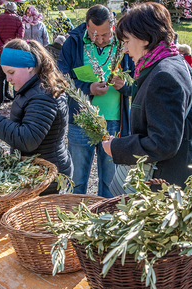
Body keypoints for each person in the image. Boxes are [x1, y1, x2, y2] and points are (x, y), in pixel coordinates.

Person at [102, 2, 192, 189]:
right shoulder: (176, 64)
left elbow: (162, 142)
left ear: (145, 38)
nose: (125, 50)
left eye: (127, 41)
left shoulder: (164, 75)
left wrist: (117, 147)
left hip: (165, 185)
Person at [0, 38, 73, 195]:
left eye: (11, 72)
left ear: (29, 66)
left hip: (49, 178)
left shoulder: (42, 95)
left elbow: (27, 139)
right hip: (42, 172)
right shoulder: (33, 89)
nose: (8, 79)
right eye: (5, 73)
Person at [58, 4, 135, 198]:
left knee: (110, 182)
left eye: (105, 35)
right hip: (80, 121)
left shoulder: (125, 44)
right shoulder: (73, 43)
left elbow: (138, 79)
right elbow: (60, 79)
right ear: (86, 27)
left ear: (113, 26)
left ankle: (105, 221)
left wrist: (124, 86)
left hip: (113, 122)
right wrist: (87, 88)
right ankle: (75, 220)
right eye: (94, 35)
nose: (99, 40)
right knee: (77, 180)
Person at [0, 2, 24, 108]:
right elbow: (20, 36)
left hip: (2, 52)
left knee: (1, 76)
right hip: (14, 51)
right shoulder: (18, 20)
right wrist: (12, 47)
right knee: (16, 74)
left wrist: (2, 47)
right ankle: (16, 99)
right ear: (14, 10)